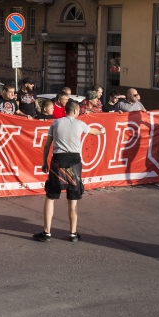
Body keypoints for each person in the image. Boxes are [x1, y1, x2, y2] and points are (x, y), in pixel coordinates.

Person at [34, 101, 106, 242]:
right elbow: (96, 132)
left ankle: (46, 232)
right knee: (73, 200)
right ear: (75, 111)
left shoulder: (56, 123)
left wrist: (44, 162)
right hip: (74, 162)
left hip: (58, 161)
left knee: (51, 197)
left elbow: (47, 145)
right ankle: (73, 234)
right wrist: (102, 130)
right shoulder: (80, 124)